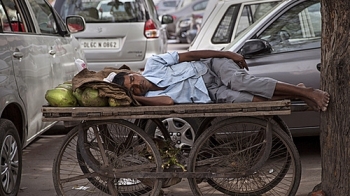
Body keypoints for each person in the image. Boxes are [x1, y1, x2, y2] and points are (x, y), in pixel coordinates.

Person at [111, 50, 330, 112]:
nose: (137, 83)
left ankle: (309, 93)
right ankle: (299, 91)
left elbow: (190, 56)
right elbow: (169, 102)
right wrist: (137, 98)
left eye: (132, 78)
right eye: (133, 88)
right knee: (251, 101)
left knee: (239, 81)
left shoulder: (154, 64)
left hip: (212, 67)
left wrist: (226, 55)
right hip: (211, 93)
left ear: (134, 73)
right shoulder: (151, 98)